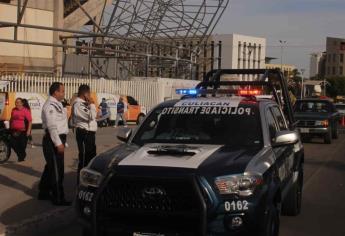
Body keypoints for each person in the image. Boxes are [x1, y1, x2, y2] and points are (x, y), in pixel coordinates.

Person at [38, 82, 70, 206]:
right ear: (55, 92)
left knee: (50, 167)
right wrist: (58, 143)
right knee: (57, 169)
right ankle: (58, 197)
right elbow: (52, 126)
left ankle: (43, 191)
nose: (63, 93)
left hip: (58, 138)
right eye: (62, 91)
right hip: (53, 139)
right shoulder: (49, 105)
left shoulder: (58, 104)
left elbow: (61, 123)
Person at [72, 84, 97, 180]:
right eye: (89, 93)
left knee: (91, 158)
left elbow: (94, 115)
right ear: (85, 94)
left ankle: (88, 179)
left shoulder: (84, 103)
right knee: (84, 159)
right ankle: (81, 182)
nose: (90, 96)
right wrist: (92, 104)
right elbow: (92, 116)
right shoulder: (78, 104)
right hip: (84, 133)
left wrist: (91, 105)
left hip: (90, 134)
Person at [9, 98, 32, 162]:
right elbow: (11, 119)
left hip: (23, 131)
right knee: (12, 143)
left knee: (22, 146)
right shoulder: (13, 110)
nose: (17, 104)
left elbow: (30, 121)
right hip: (14, 130)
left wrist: (28, 131)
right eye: (16, 102)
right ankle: (22, 155)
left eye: (18, 102)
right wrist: (10, 127)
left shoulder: (25, 110)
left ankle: (21, 158)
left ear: (22, 103)